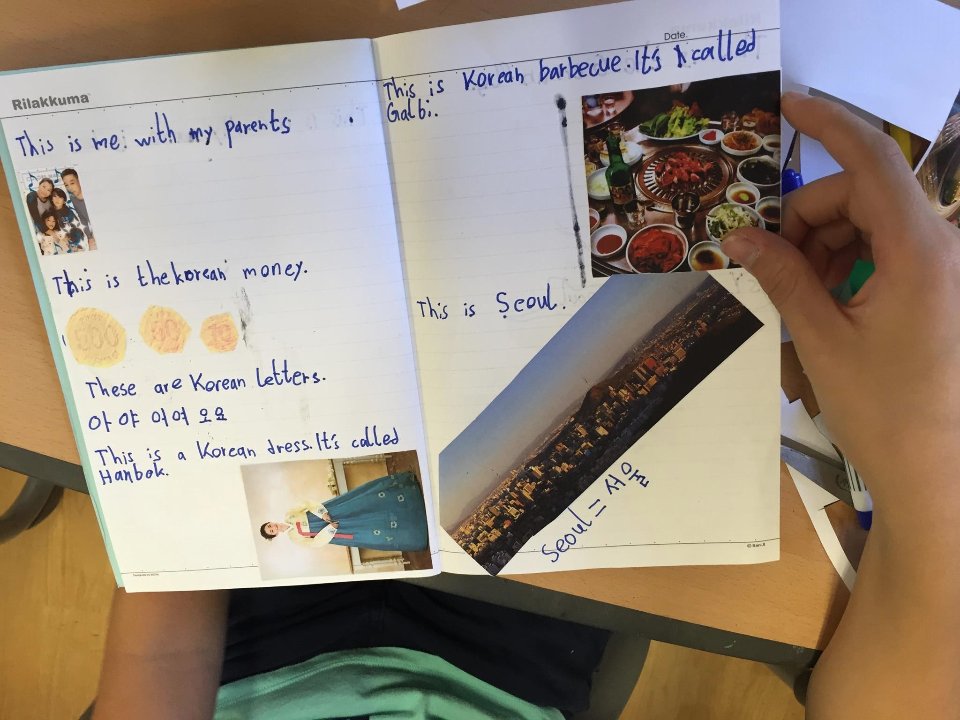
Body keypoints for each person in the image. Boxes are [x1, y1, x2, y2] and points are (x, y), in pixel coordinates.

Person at [90, 93, 960, 719]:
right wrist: (931, 462)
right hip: (516, 652)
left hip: (252, 630)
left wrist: (199, 427)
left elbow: (155, 658)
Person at [259, 471, 430, 552]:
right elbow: (314, 543)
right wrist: (331, 529)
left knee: (363, 502)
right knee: (368, 529)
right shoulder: (294, 538)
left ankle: (405, 492)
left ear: (271, 522)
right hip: (335, 528)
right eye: (271, 531)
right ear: (275, 535)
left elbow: (307, 504)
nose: (273, 527)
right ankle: (414, 528)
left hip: (330, 511)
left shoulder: (289, 514)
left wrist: (323, 513)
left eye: (270, 525)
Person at [60, 167, 96, 250]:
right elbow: (83, 219)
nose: (69, 187)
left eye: (72, 183)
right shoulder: (73, 199)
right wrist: (90, 237)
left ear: (79, 181)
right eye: (66, 185)